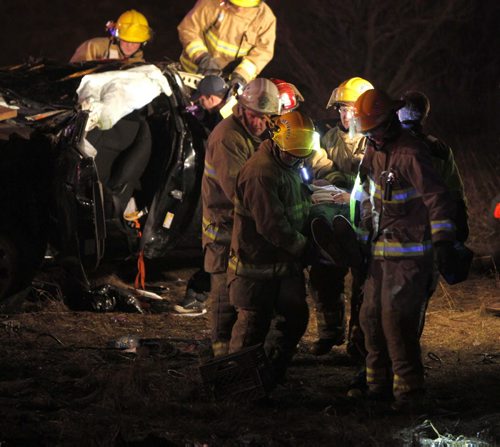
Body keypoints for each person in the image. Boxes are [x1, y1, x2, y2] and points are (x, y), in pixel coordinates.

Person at [353, 88, 458, 411]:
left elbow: (437, 197)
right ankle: (377, 386)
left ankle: (409, 394)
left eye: (374, 130)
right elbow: (368, 195)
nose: (370, 136)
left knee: (397, 322)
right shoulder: (373, 150)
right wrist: (361, 236)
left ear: (388, 123)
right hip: (381, 252)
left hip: (410, 255)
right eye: (366, 131)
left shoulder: (411, 153)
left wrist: (443, 242)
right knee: (370, 318)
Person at [227, 110, 317, 384]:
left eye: (301, 154)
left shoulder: (289, 162)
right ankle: (238, 390)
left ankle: (269, 377)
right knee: (251, 329)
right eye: (292, 153)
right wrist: (307, 247)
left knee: (294, 317)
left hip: (284, 264)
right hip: (256, 267)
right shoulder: (260, 173)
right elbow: (272, 226)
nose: (297, 158)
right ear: (276, 141)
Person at [195, 78, 281, 355]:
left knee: (243, 290)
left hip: (242, 223)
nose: (260, 123)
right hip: (223, 224)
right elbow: (239, 190)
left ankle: (237, 352)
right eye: (255, 116)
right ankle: (220, 352)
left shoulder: (262, 133)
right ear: (242, 109)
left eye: (266, 117)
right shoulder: (226, 137)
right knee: (223, 289)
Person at [306, 77, 374, 356]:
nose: (345, 116)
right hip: (330, 216)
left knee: (364, 282)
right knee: (324, 275)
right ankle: (329, 333)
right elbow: (317, 164)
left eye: (351, 110)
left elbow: (373, 178)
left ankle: (359, 340)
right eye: (342, 109)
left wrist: (350, 191)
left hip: (363, 221)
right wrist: (335, 180)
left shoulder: (375, 141)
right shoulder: (326, 136)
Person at [177, 0, 276, 89]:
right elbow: (189, 29)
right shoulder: (213, 4)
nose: (239, 8)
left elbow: (263, 53)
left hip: (228, 84)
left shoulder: (265, 19)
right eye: (235, 3)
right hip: (190, 75)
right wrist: (201, 57)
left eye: (245, 5)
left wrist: (241, 75)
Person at [70, 10, 151, 63]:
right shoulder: (94, 47)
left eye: (135, 42)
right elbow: (71, 74)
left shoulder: (139, 64)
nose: (129, 45)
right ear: (117, 38)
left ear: (143, 43)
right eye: (125, 40)